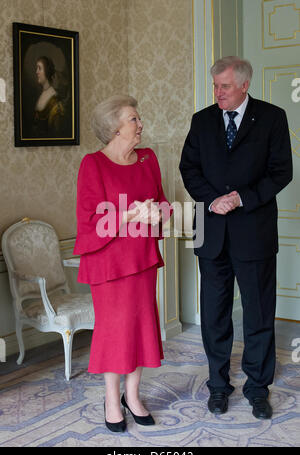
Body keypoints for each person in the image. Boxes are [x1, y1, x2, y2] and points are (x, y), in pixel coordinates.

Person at [179, 56, 292, 419]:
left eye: (224, 86)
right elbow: (188, 168)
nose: (218, 93)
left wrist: (240, 198)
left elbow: (281, 172)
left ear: (244, 85)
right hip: (210, 230)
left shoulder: (273, 118)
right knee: (214, 315)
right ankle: (218, 386)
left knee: (259, 314)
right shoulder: (202, 120)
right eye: (214, 86)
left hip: (253, 232)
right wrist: (213, 201)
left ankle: (258, 388)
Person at [74, 95, 172, 432]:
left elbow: (163, 204)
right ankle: (111, 399)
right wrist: (130, 214)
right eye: (133, 119)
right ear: (115, 128)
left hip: (141, 259)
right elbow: (89, 221)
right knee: (115, 333)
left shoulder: (147, 158)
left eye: (138, 118)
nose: (140, 124)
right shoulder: (93, 164)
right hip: (109, 265)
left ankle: (133, 396)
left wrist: (157, 212)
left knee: (141, 328)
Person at [33, 56, 64, 137]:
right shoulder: (43, 93)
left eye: (39, 68)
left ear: (46, 71)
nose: (36, 72)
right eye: (37, 68)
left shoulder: (54, 98)